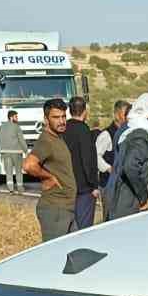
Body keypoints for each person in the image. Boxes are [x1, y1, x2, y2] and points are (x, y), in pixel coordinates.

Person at [24, 98, 78, 241]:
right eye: (56, 117)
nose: (61, 121)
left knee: (74, 252)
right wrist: (48, 177)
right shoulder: (46, 141)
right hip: (55, 209)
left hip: (66, 208)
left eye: (63, 116)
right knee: (55, 257)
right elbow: (29, 165)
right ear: (46, 119)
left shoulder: (58, 138)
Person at [108, 92, 148, 219]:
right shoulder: (141, 135)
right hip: (135, 199)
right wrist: (143, 197)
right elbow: (130, 166)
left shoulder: (127, 129)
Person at [63, 96, 102, 228]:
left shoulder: (63, 129)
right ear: (84, 111)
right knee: (83, 227)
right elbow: (88, 160)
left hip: (66, 184)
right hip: (83, 188)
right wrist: (94, 185)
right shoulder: (84, 130)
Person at [95, 99, 132, 212]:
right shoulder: (106, 134)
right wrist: (108, 168)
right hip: (108, 185)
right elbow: (95, 155)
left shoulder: (128, 133)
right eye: (125, 114)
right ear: (117, 115)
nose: (128, 117)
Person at [0, 111, 28, 194]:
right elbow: (21, 140)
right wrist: (26, 150)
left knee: (8, 172)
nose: (17, 118)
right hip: (16, 152)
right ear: (11, 117)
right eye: (16, 117)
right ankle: (20, 188)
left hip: (5, 152)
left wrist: (1, 148)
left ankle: (11, 189)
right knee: (18, 171)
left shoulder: (1, 127)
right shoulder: (17, 127)